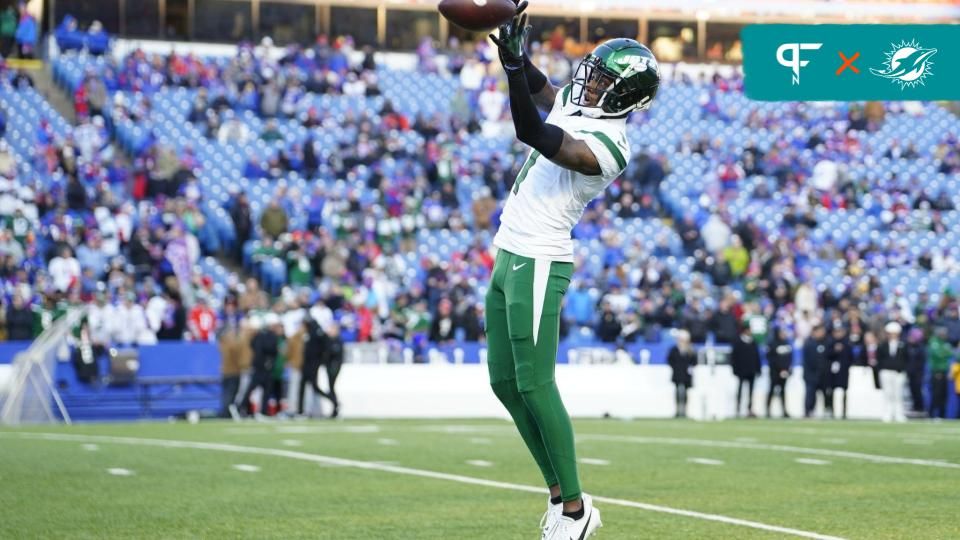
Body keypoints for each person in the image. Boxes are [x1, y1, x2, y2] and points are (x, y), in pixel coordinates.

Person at [486, 3, 659, 536]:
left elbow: (533, 131)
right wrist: (516, 54)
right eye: (595, 70)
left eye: (604, 79)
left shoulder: (610, 147)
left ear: (626, 96)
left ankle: (577, 511)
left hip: (539, 258)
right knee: (504, 385)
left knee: (536, 385)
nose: (589, 81)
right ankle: (558, 494)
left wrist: (514, 71)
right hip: (509, 252)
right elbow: (544, 90)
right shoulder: (579, 102)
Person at [242, 314, 281, 417]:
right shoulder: (268, 336)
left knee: (261, 389)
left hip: (262, 366)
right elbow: (270, 350)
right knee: (255, 388)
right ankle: (241, 407)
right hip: (263, 367)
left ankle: (260, 410)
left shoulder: (260, 336)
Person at [877, 322, 908, 423]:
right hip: (886, 371)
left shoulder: (903, 345)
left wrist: (902, 369)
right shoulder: (883, 345)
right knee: (888, 393)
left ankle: (899, 414)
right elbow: (879, 359)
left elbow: (906, 359)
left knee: (898, 394)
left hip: (899, 372)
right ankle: (887, 413)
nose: (892, 335)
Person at [731, 324, 761, 418]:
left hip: (751, 370)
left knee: (751, 391)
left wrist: (758, 369)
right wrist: (735, 369)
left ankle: (749, 409)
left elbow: (757, 357)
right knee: (740, 390)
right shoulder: (738, 342)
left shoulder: (753, 342)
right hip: (741, 370)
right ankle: (738, 408)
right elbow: (734, 357)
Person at [826, 323, 854, 419]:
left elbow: (850, 358)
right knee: (830, 391)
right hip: (832, 372)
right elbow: (827, 356)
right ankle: (831, 411)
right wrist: (835, 351)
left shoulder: (847, 344)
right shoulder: (830, 343)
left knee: (844, 391)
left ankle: (844, 412)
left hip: (843, 371)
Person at [666, 329, 696, 418]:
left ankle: (685, 410)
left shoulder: (690, 350)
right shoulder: (674, 349)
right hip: (677, 374)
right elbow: (670, 360)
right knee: (677, 392)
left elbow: (694, 361)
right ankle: (678, 410)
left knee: (685, 393)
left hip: (686, 375)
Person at [766, 325, 793, 418]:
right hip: (775, 371)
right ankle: (768, 410)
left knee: (783, 391)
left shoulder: (786, 344)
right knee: (772, 390)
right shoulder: (772, 344)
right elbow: (771, 359)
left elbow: (789, 358)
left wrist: (787, 369)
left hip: (784, 372)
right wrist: (779, 369)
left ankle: (784, 410)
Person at [927, 326, 953, 420]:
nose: (944, 335)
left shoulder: (945, 343)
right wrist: (945, 352)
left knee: (943, 395)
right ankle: (932, 414)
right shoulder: (934, 341)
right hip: (937, 372)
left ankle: (942, 415)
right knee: (936, 394)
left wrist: (946, 352)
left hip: (944, 372)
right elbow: (939, 354)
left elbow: (951, 353)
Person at [802, 323, 828, 418]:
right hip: (811, 375)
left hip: (821, 374)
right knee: (810, 394)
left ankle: (825, 410)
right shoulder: (809, 343)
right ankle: (808, 411)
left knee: (824, 393)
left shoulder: (825, 342)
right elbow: (810, 361)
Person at [904, 327, 927, 415]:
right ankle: (915, 406)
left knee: (917, 390)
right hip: (910, 372)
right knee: (912, 390)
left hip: (918, 373)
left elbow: (920, 362)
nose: (910, 338)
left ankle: (920, 407)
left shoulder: (920, 348)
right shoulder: (907, 346)